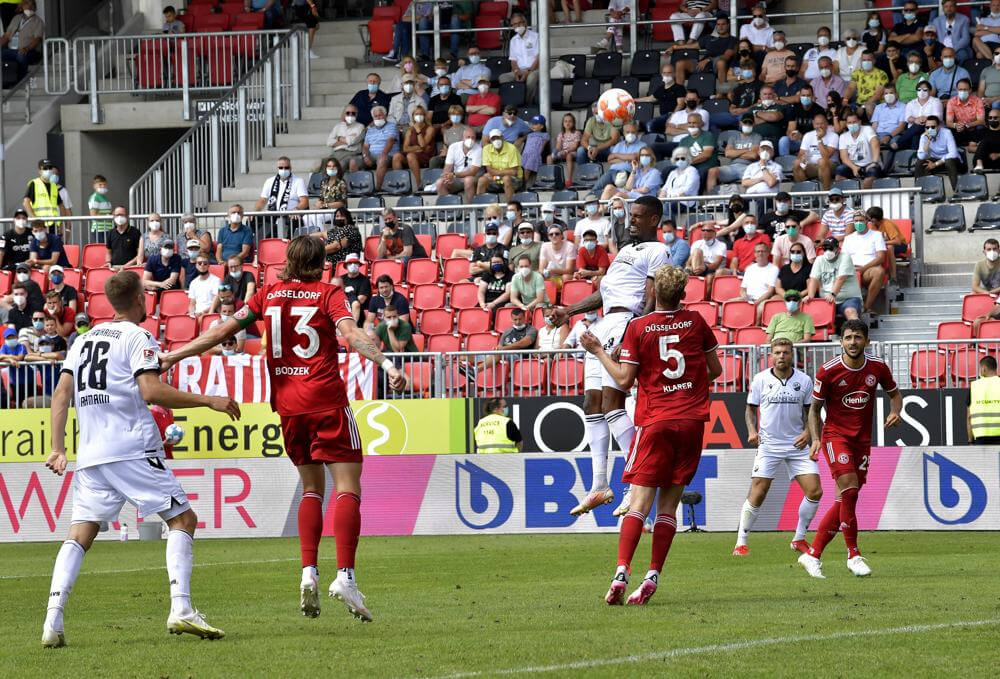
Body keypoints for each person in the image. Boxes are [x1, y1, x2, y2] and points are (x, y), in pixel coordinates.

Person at [161, 236, 407, 622]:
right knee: (347, 486)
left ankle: (308, 570)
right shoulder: (328, 294)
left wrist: (173, 354)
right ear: (318, 265)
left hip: (289, 409)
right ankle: (345, 575)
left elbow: (222, 330)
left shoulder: (267, 295)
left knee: (311, 489)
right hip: (326, 402)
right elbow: (352, 334)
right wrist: (389, 365)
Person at [40, 270, 238, 647]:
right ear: (137, 300)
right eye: (145, 295)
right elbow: (150, 391)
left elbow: (61, 394)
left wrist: (58, 448)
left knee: (81, 533)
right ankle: (181, 608)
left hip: (92, 453)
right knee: (183, 518)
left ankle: (53, 620)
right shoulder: (138, 336)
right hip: (131, 447)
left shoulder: (83, 341)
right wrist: (208, 400)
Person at [579, 264, 721, 605]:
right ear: (683, 294)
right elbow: (715, 369)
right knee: (668, 508)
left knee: (639, 505)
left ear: (653, 292)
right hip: (690, 423)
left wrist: (598, 350)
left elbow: (624, 380)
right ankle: (652, 575)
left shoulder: (638, 327)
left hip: (656, 421)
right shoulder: (697, 322)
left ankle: (621, 572)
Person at [552, 196, 670, 518]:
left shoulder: (657, 251)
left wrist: (634, 333)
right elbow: (603, 295)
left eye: (637, 216)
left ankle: (636, 482)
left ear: (654, 220)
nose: (631, 221)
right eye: (630, 215)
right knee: (592, 404)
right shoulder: (624, 253)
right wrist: (568, 311)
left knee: (612, 403)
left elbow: (652, 297)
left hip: (624, 322)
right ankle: (600, 485)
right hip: (603, 323)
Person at [798, 320, 901, 579]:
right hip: (835, 437)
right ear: (841, 341)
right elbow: (814, 409)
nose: (852, 342)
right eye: (847, 337)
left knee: (844, 499)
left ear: (866, 340)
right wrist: (816, 438)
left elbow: (895, 394)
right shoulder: (828, 371)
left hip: (862, 441)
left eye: (857, 337)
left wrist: (895, 410)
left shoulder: (877, 367)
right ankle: (853, 554)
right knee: (850, 490)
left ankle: (812, 555)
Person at [734, 337, 821, 556]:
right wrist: (752, 431)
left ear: (792, 355)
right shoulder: (760, 379)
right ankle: (741, 542)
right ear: (771, 355)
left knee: (815, 491)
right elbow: (750, 410)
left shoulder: (804, 380)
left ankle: (799, 538)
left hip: (797, 444)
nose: (781, 356)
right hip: (769, 445)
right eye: (777, 352)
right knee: (758, 492)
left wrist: (808, 433)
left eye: (785, 352)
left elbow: (813, 412)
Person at [807, 237, 864, 321]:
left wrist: (832, 294)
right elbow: (813, 279)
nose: (827, 251)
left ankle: (857, 331)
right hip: (826, 301)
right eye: (825, 248)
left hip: (848, 299)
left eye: (830, 248)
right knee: (811, 312)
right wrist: (810, 297)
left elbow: (841, 278)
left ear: (837, 249)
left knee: (850, 312)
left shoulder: (845, 257)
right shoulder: (819, 260)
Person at [842, 211, 888, 314]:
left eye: (861, 221)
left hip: (868, 269)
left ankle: (866, 307)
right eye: (856, 221)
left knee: (879, 272)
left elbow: (881, 257)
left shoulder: (876, 235)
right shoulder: (848, 238)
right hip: (852, 270)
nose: (858, 223)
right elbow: (844, 258)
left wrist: (863, 268)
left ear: (867, 221)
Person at [254, 157, 309, 238]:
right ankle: (258, 246)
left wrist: (296, 210)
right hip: (272, 213)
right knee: (252, 220)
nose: (283, 169)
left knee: (294, 220)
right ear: (277, 168)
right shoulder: (270, 181)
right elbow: (262, 200)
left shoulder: (298, 181)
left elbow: (304, 201)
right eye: (281, 167)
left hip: (290, 214)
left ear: (291, 168)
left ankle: (290, 245)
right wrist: (255, 211)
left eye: (286, 167)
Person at [352, 106, 398, 192]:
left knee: (382, 159)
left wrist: (383, 154)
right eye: (376, 116)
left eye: (380, 115)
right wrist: (365, 156)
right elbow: (365, 146)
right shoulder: (370, 130)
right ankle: (356, 189)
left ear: (385, 116)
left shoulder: (392, 126)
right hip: (371, 155)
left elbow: (390, 141)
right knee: (353, 161)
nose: (378, 118)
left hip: (387, 154)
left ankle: (378, 189)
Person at [499, 13, 540, 103]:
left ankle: (526, 102)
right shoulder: (513, 40)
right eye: (515, 24)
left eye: (520, 23)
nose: (517, 26)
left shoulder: (535, 36)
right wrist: (516, 72)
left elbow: (539, 58)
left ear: (525, 23)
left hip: (534, 69)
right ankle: (512, 101)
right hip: (519, 70)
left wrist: (528, 72)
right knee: (503, 77)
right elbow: (513, 60)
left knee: (531, 78)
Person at [391, 105, 435, 188]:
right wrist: (418, 148)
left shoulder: (430, 128)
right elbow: (405, 148)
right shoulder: (410, 130)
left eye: (421, 114)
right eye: (416, 114)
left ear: (424, 116)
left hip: (425, 156)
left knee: (410, 155)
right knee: (397, 156)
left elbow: (422, 145)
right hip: (412, 155)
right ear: (413, 116)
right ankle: (400, 185)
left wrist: (418, 131)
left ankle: (419, 184)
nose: (419, 116)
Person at [836, 111, 882, 189]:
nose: (852, 124)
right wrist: (854, 167)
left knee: (871, 174)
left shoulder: (867, 129)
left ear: (859, 122)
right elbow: (844, 158)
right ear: (846, 125)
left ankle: (865, 198)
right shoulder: (843, 136)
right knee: (839, 171)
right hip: (854, 165)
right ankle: (850, 196)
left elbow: (875, 144)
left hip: (870, 164)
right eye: (849, 123)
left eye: (854, 122)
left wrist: (874, 162)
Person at [0, 0, 44, 82]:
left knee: (21, 55)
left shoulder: (38, 22)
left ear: (35, 8)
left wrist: (26, 48)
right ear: (22, 6)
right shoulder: (16, 18)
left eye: (32, 5)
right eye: (27, 4)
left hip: (29, 50)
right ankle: (4, 81)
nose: (30, 7)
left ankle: (20, 80)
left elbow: (37, 39)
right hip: (12, 50)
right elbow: (6, 36)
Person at [793, 113, 838, 190]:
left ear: (827, 124)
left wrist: (819, 139)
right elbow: (801, 154)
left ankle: (826, 193)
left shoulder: (834, 136)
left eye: (822, 123)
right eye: (817, 124)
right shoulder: (808, 135)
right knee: (797, 163)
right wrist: (803, 157)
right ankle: (807, 191)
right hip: (811, 165)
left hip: (830, 164)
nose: (819, 126)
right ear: (813, 124)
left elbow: (826, 156)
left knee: (822, 161)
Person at [914, 115, 960, 189]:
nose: (930, 129)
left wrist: (936, 164)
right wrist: (928, 140)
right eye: (927, 127)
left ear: (938, 127)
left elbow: (953, 153)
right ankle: (919, 191)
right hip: (935, 160)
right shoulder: (923, 137)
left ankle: (957, 191)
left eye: (933, 127)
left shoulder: (946, 133)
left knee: (949, 161)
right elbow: (921, 156)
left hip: (951, 161)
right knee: (919, 163)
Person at [436, 127, 481, 203]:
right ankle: (450, 209)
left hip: (473, 178)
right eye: (468, 137)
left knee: (468, 180)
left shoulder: (479, 149)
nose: (470, 140)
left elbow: (473, 172)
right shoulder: (453, 147)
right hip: (456, 178)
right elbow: (448, 166)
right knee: (440, 183)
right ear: (462, 138)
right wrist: (447, 176)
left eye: (473, 138)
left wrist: (453, 174)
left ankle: (471, 210)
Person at [477, 128, 523, 202]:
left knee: (506, 179)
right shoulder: (486, 149)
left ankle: (510, 207)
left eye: (498, 137)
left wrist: (495, 172)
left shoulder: (511, 148)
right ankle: (479, 209)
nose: (496, 140)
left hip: (515, 179)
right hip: (496, 178)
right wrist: (498, 173)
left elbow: (514, 172)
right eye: (493, 139)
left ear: (502, 137)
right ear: (490, 140)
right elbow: (489, 170)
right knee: (481, 180)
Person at [738, 242, 779, 322]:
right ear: (755, 253)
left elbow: (770, 291)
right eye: (758, 251)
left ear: (768, 253)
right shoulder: (749, 269)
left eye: (763, 251)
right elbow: (742, 289)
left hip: (763, 300)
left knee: (759, 310)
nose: (760, 253)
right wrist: (744, 296)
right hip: (748, 298)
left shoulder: (774, 269)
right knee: (728, 304)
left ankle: (755, 330)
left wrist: (756, 302)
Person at [658, 147, 701, 219]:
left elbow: (688, 189)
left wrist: (674, 196)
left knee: (667, 207)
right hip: (670, 200)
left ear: (688, 159)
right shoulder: (673, 172)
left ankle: (670, 227)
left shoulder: (692, 171)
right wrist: (662, 195)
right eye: (677, 159)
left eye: (683, 158)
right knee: (656, 206)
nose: (680, 160)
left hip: (686, 202)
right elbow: (665, 187)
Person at [946, 78, 986, 151]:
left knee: (981, 127)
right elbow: (949, 122)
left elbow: (981, 120)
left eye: (965, 89)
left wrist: (967, 125)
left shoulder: (977, 101)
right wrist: (956, 125)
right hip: (959, 130)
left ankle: (972, 144)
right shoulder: (951, 102)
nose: (962, 91)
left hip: (973, 129)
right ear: (957, 90)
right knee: (948, 130)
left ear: (970, 90)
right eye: (960, 89)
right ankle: (963, 146)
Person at [967, 355, 1000, 444]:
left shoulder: (974, 386)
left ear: (984, 368)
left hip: (981, 437)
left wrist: (970, 440)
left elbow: (969, 417)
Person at [23, 159, 63, 229]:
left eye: (50, 168)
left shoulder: (53, 186)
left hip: (53, 225)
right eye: (45, 168)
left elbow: (61, 205)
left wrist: (61, 224)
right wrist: (35, 219)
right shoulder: (34, 184)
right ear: (39, 171)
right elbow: (26, 203)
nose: (48, 170)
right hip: (39, 226)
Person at [187, 254, 221, 319]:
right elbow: (192, 303)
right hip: (196, 315)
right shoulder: (193, 283)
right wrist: (191, 313)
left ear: (209, 265)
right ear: (196, 265)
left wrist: (203, 312)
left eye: (205, 263)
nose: (202, 265)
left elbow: (217, 303)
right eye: (199, 263)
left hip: (210, 314)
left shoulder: (216, 280)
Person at [341, 253, 370, 325]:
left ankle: (353, 328)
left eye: (355, 263)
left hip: (359, 313)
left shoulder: (365, 280)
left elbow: (361, 300)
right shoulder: (341, 279)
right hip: (342, 309)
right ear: (346, 266)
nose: (353, 265)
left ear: (359, 265)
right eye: (350, 263)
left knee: (355, 304)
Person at [973, 108, 1000, 172]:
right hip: (985, 160)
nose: (992, 119)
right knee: (984, 141)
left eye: (995, 118)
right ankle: (979, 164)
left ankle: (979, 164)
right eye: (990, 118)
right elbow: (970, 148)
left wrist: (998, 155)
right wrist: (985, 151)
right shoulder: (981, 132)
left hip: (999, 160)